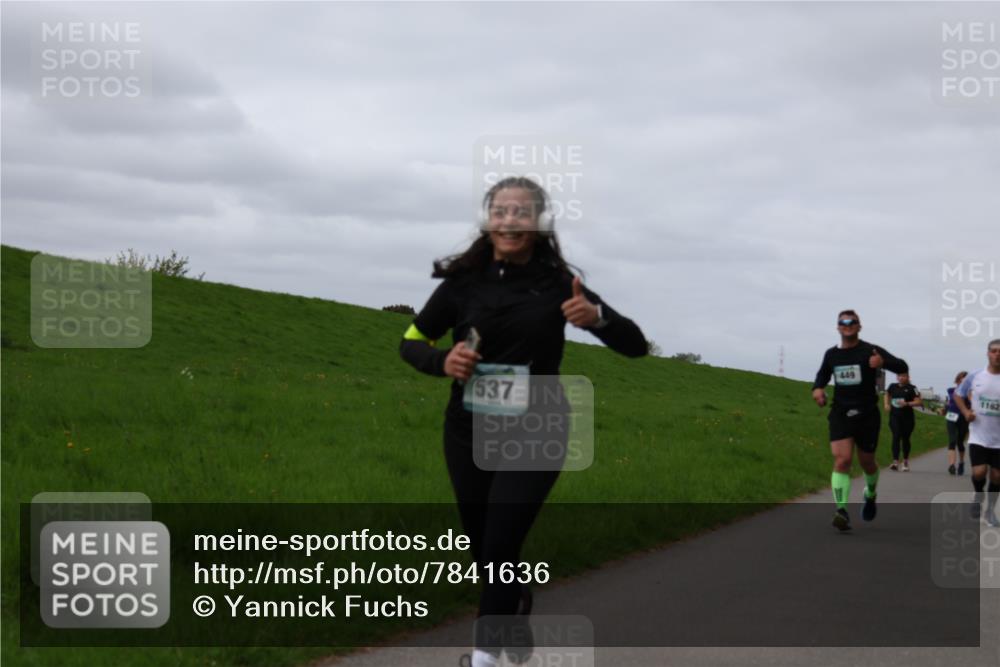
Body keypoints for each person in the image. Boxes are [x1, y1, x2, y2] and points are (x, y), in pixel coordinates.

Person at [399, 176, 648, 667]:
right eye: (501, 211)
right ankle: (512, 606)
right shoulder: (462, 284)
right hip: (467, 429)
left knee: (499, 542)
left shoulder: (558, 284)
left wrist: (596, 318)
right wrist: (440, 361)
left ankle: (487, 657)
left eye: (522, 212)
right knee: (483, 545)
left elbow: (636, 345)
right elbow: (410, 340)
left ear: (538, 223)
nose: (511, 220)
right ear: (488, 221)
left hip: (537, 426)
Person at [811, 310, 908, 531]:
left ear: (859, 326)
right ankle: (841, 511)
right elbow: (821, 376)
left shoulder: (870, 350)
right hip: (841, 413)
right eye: (843, 322)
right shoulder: (831, 355)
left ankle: (870, 493)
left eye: (852, 322)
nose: (847, 325)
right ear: (837, 327)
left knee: (867, 462)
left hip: (867, 415)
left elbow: (902, 367)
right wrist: (817, 390)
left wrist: (882, 362)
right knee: (842, 460)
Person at [954, 339, 1000, 527]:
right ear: (988, 353)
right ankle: (977, 496)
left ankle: (990, 511)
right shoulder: (975, 376)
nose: (998, 354)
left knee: (997, 476)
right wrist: (966, 412)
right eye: (994, 351)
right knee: (980, 472)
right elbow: (958, 394)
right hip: (979, 434)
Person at [883, 372, 922, 471]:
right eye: (899, 376)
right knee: (896, 436)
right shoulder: (892, 386)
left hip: (907, 418)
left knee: (905, 439)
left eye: (903, 376)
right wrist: (886, 404)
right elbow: (886, 394)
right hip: (895, 416)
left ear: (908, 377)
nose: (901, 378)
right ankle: (895, 462)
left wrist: (907, 403)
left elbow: (919, 402)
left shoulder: (912, 388)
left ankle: (905, 461)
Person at [945, 371, 970, 475]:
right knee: (952, 440)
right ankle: (951, 465)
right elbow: (949, 403)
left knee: (960, 442)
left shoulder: (970, 392)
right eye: (961, 378)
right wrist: (945, 409)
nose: (963, 381)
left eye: (966, 379)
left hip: (963, 418)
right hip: (951, 416)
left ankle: (961, 462)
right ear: (958, 380)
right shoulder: (951, 390)